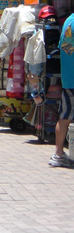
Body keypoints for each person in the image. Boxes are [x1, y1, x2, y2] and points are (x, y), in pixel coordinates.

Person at [52, 12, 74, 167]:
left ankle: (58, 154)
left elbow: (64, 46)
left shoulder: (69, 21)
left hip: (68, 78)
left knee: (65, 117)